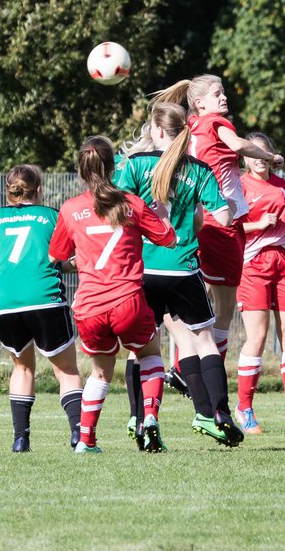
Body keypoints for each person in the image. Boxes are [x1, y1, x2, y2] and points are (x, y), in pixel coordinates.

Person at [114, 103, 242, 447]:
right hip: (183, 269)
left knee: (141, 348)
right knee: (204, 341)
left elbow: (117, 208)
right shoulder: (198, 169)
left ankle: (139, 418)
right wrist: (201, 213)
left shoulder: (135, 165)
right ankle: (219, 414)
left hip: (141, 270)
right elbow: (224, 218)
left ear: (156, 132)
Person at [48, 136, 176, 454]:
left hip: (89, 305)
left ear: (81, 170)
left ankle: (87, 441)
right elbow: (170, 239)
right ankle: (149, 418)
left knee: (100, 372)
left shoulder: (70, 209)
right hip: (127, 300)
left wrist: (83, 259)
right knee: (149, 355)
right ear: (114, 167)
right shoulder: (131, 204)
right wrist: (161, 212)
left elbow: (56, 257)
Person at [150, 76, 283, 366]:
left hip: (193, 218)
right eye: (217, 93)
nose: (224, 98)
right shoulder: (213, 123)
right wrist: (270, 156)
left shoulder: (191, 126)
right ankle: (210, 370)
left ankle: (181, 363)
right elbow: (237, 144)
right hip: (220, 221)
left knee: (190, 299)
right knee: (224, 310)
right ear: (199, 103)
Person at [0, 164, 84, 453]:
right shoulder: (51, 216)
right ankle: (78, 435)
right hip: (44, 300)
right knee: (67, 370)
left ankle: (21, 439)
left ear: (8, 191)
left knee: (23, 367)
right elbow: (66, 258)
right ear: (38, 189)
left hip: (2, 304)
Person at [235, 132, 285, 434]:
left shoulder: (282, 185)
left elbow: (284, 217)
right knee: (258, 337)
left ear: (270, 156)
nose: (257, 159)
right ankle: (244, 408)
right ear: (244, 158)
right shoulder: (238, 185)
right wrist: (258, 225)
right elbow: (229, 224)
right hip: (252, 265)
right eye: (251, 154)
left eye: (262, 153)